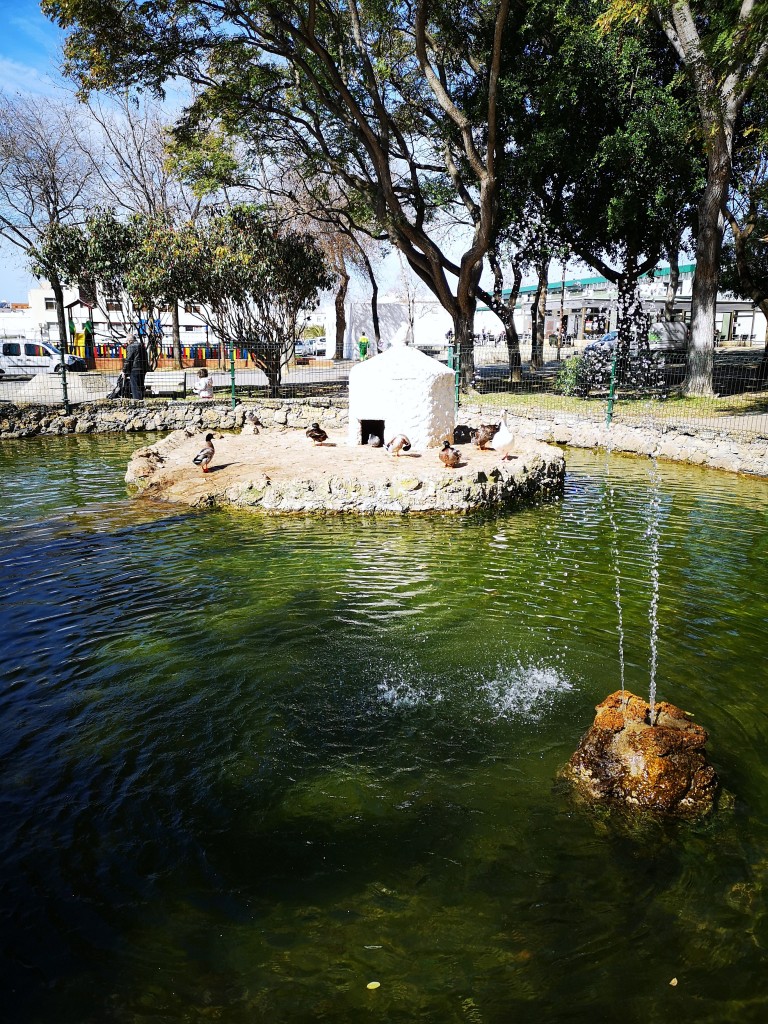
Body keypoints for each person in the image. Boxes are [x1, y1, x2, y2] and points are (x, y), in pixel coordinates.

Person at [122, 332, 149, 399]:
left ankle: (137, 402)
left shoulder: (131, 346)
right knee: (140, 386)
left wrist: (124, 370)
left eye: (127, 341)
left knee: (135, 387)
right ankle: (141, 400)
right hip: (142, 369)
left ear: (129, 341)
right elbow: (146, 358)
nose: (127, 343)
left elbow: (128, 359)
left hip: (134, 369)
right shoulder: (142, 346)